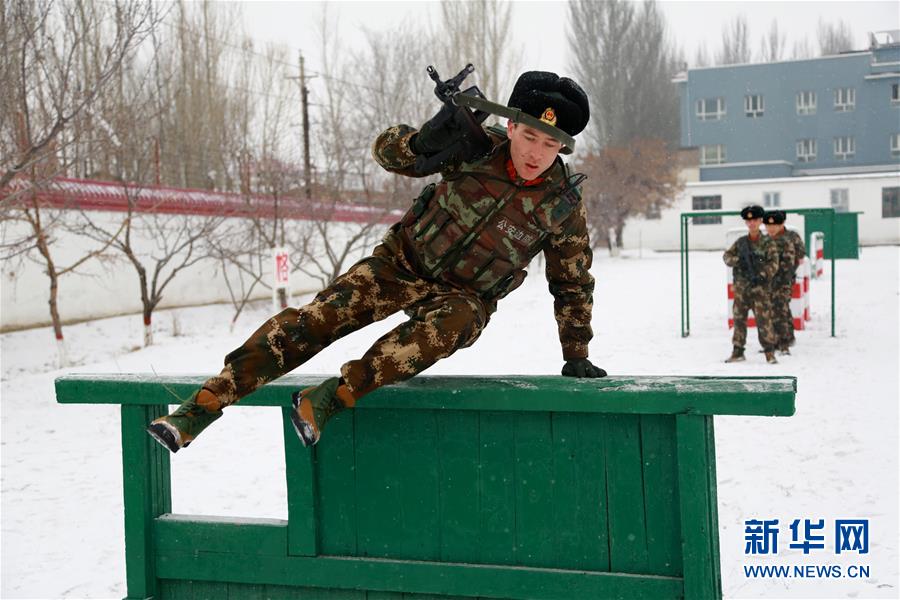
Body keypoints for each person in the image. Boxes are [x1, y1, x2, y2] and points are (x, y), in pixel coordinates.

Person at [147, 71, 606, 453]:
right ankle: (201, 406)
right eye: (529, 136)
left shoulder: (560, 204)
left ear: (562, 149)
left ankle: (330, 397)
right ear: (511, 128)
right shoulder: (473, 146)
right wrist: (426, 140)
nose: (535, 153)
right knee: (315, 321)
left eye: (549, 145)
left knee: (447, 326)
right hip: (400, 265)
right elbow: (388, 152)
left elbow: (572, 282)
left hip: (464, 297)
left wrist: (577, 353)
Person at [723, 205, 780, 364]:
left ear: (760, 221)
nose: (752, 223)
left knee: (764, 321)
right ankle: (738, 351)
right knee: (739, 320)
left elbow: (774, 264)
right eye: (748, 221)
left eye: (754, 220)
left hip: (760, 290)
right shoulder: (741, 243)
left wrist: (763, 275)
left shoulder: (768, 243)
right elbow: (727, 257)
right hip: (742, 290)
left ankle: (769, 352)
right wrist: (738, 261)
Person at [764, 210, 806, 352]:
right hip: (767, 281)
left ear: (782, 224)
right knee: (774, 309)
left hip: (783, 280)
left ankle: (783, 342)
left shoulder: (791, 238)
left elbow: (799, 255)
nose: (771, 228)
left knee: (780, 309)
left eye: (774, 225)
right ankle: (784, 337)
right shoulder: (764, 239)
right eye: (768, 225)